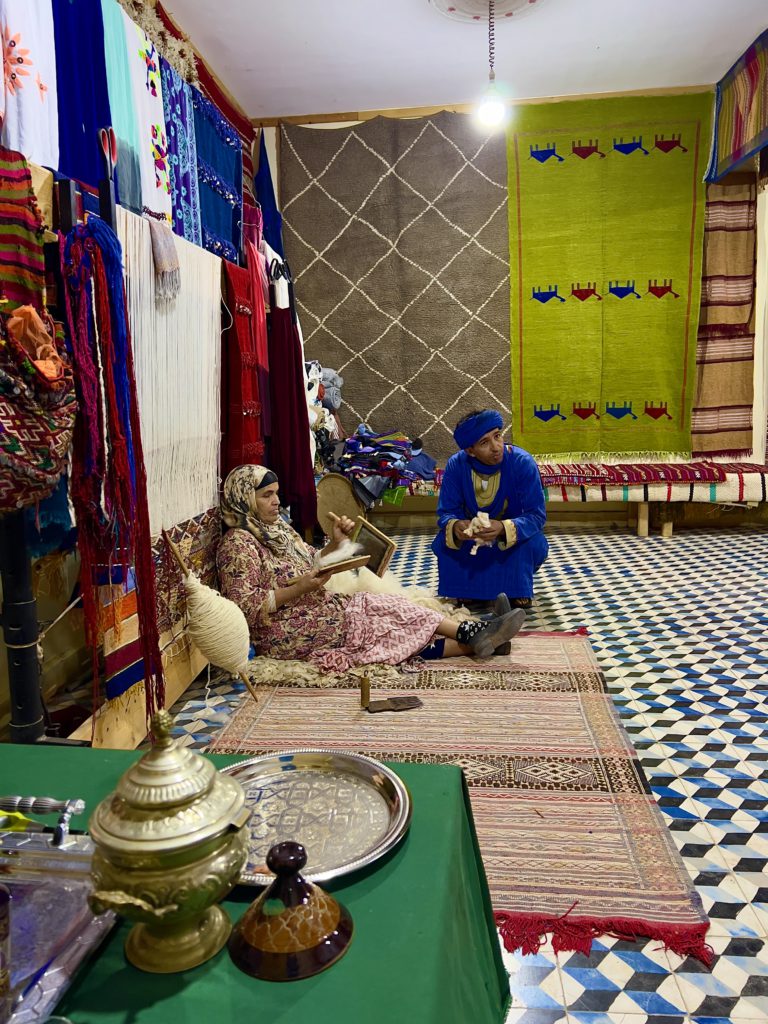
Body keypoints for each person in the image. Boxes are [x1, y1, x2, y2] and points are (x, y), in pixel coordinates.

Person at [216, 464, 526, 673]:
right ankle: (479, 635)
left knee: (392, 607)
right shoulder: (238, 544)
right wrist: (302, 588)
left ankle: (480, 635)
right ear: (244, 499)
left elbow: (310, 561)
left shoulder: (277, 530)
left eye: (277, 494)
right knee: (380, 631)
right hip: (284, 631)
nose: (276, 501)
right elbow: (245, 607)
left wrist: (336, 545)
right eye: (266, 495)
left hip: (317, 607)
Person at [432, 409, 548, 610]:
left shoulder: (522, 462)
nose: (496, 447)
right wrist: (458, 526)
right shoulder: (456, 465)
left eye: (497, 436)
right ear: (470, 450)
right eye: (484, 443)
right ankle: (469, 591)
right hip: (473, 539)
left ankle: (516, 590)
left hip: (509, 541)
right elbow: (446, 513)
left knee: (535, 543)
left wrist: (503, 527)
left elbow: (536, 515)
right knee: (444, 542)